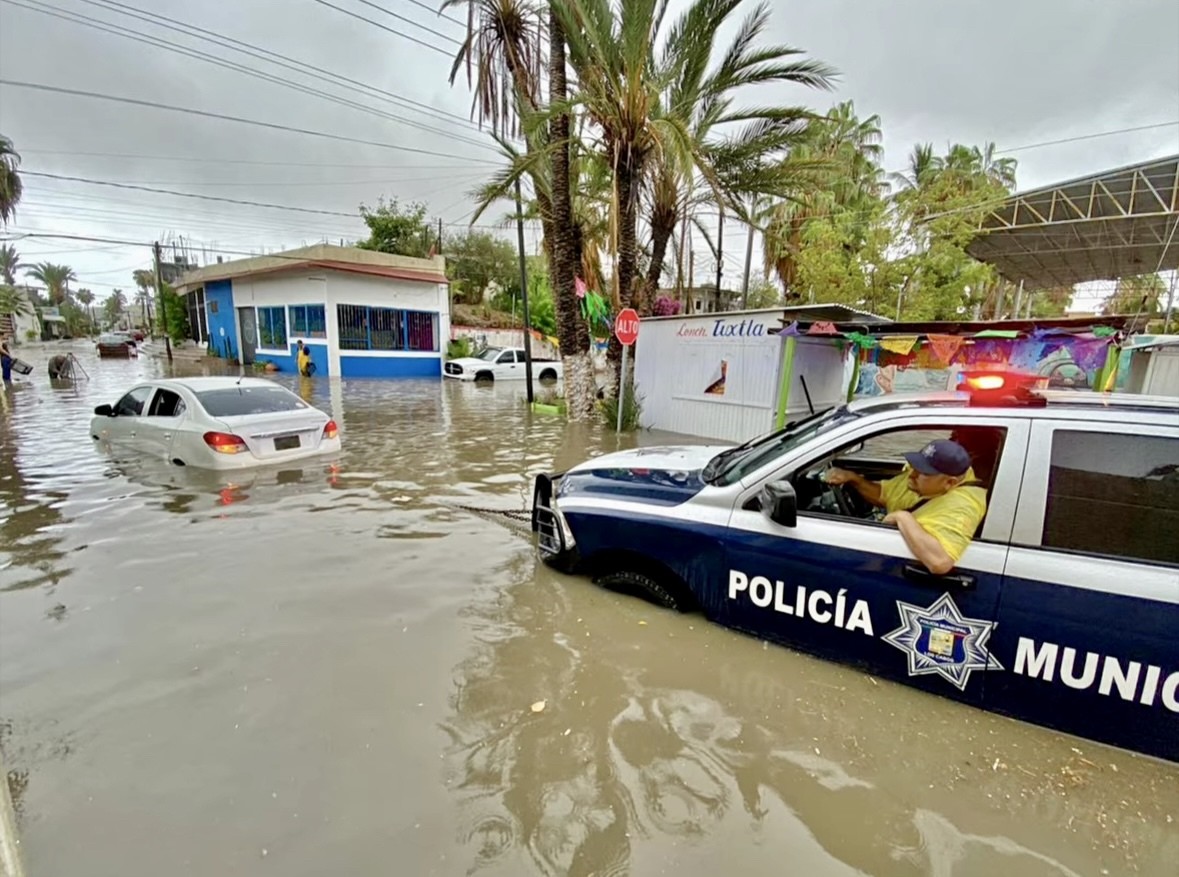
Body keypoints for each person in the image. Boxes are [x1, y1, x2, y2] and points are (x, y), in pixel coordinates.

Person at [826, 439, 987, 574]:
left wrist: (901, 517)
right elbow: (883, 494)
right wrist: (854, 479)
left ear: (949, 482)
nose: (912, 475)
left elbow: (939, 562)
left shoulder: (963, 506)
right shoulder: (926, 481)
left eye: (923, 472)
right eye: (916, 466)